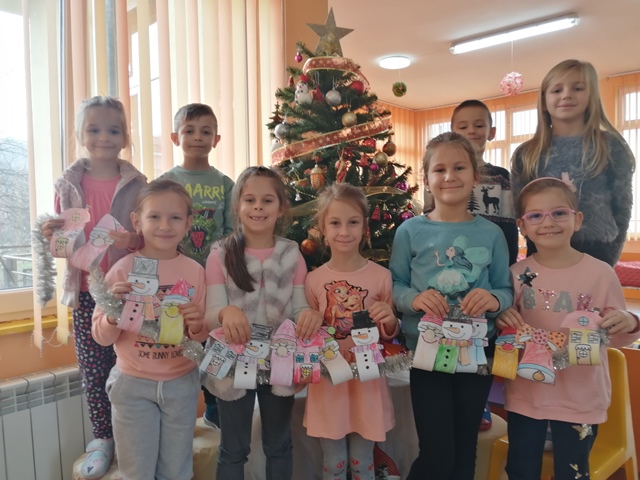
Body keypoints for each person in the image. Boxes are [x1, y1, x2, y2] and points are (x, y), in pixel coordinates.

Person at [496, 177, 640, 479]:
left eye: (559, 213)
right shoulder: (517, 273)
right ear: (522, 226)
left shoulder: (601, 274)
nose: (548, 222)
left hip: (580, 398)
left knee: (573, 472)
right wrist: (502, 318)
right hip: (527, 396)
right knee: (521, 469)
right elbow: (504, 329)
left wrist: (630, 321)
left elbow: (616, 334)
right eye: (536, 215)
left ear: (578, 220)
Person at [389, 132, 513, 480]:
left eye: (459, 167)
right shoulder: (409, 231)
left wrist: (493, 300)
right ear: (426, 178)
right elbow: (395, 284)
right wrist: (414, 299)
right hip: (426, 354)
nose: (449, 176)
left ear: (476, 175)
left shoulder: (492, 234)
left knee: (464, 451)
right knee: (437, 454)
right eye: (439, 169)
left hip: (477, 354)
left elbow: (505, 289)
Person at [40, 96, 146, 479]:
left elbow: (149, 237)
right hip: (87, 292)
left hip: (129, 289)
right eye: (95, 129)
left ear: (125, 136)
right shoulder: (68, 184)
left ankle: (132, 433)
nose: (104, 137)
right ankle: (102, 438)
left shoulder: (138, 184)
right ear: (81, 135)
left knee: (133, 367)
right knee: (94, 369)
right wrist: (50, 233)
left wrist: (132, 240)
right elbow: (62, 242)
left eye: (113, 130)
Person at [204, 166, 323, 480]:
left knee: (279, 445)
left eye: (267, 200)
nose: (258, 207)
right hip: (232, 365)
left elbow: (300, 307)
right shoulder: (220, 254)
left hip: (279, 362)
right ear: (237, 206)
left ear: (281, 207)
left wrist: (309, 315)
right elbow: (210, 313)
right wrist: (225, 313)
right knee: (233, 449)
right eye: (250, 200)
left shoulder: (292, 254)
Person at [92, 179, 208, 480]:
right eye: (154, 216)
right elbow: (101, 337)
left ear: (188, 223)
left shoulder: (195, 271)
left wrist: (197, 325)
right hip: (132, 384)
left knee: (177, 470)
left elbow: (201, 336)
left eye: (175, 217)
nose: (164, 225)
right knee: (136, 471)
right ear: (137, 221)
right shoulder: (121, 270)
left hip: (181, 383)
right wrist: (113, 315)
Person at [304, 183, 399, 480]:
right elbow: (309, 334)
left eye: (353, 222)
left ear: (365, 227)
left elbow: (388, 334)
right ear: (322, 229)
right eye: (335, 223)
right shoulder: (313, 280)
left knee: (362, 461)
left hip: (367, 385)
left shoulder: (382, 276)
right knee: (334, 463)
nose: (344, 231)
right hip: (329, 386)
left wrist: (389, 319)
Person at [511, 59, 636, 267]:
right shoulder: (527, 153)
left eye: (577, 88)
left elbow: (622, 206)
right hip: (542, 247)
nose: (566, 95)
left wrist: (610, 258)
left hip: (598, 250)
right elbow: (519, 208)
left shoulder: (611, 146)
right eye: (557, 90)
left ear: (591, 96)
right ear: (544, 101)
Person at [160, 102, 234, 428]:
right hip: (177, 279)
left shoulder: (225, 184)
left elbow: (232, 232)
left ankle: (215, 408)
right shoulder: (166, 182)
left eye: (206, 132)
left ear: (216, 139)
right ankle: (177, 413)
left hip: (214, 280)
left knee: (213, 342)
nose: (198, 137)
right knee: (180, 342)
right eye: (189, 131)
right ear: (175, 137)